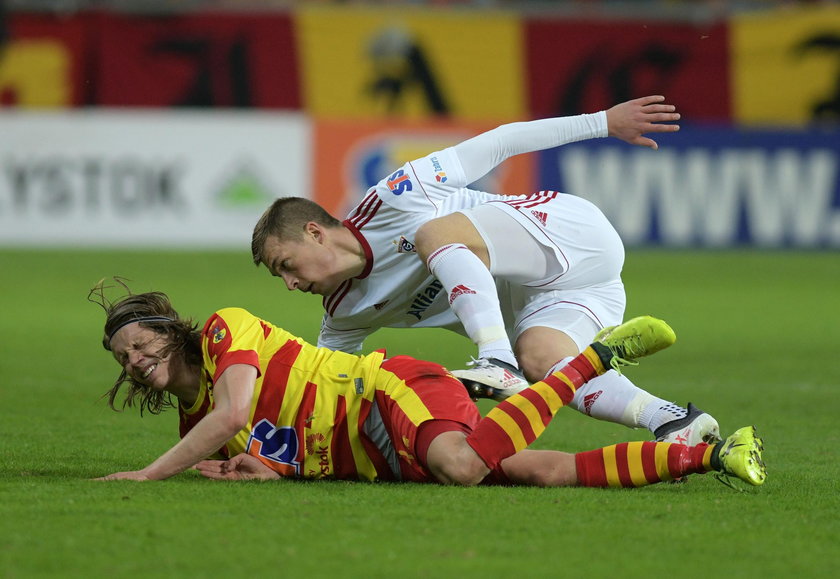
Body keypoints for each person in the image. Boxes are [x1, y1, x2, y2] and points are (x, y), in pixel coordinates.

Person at [250, 95, 719, 446]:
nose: (291, 284)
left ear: (314, 232)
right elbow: (316, 385)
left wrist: (601, 123)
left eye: (285, 265)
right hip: (575, 294)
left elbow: (501, 142)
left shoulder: (395, 198)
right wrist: (270, 447)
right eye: (281, 278)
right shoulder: (344, 314)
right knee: (545, 362)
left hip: (569, 234)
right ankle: (675, 421)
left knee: (434, 234)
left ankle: (495, 360)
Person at [89, 282, 765, 489]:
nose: (134, 358)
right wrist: (269, 472)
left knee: (464, 467)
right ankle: (712, 454)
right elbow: (276, 441)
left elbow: (238, 404)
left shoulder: (222, 333)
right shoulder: (194, 425)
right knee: (542, 472)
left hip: (384, 389)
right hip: (372, 454)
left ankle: (592, 358)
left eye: (138, 342)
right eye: (122, 357)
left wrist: (149, 475)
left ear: (168, 330)